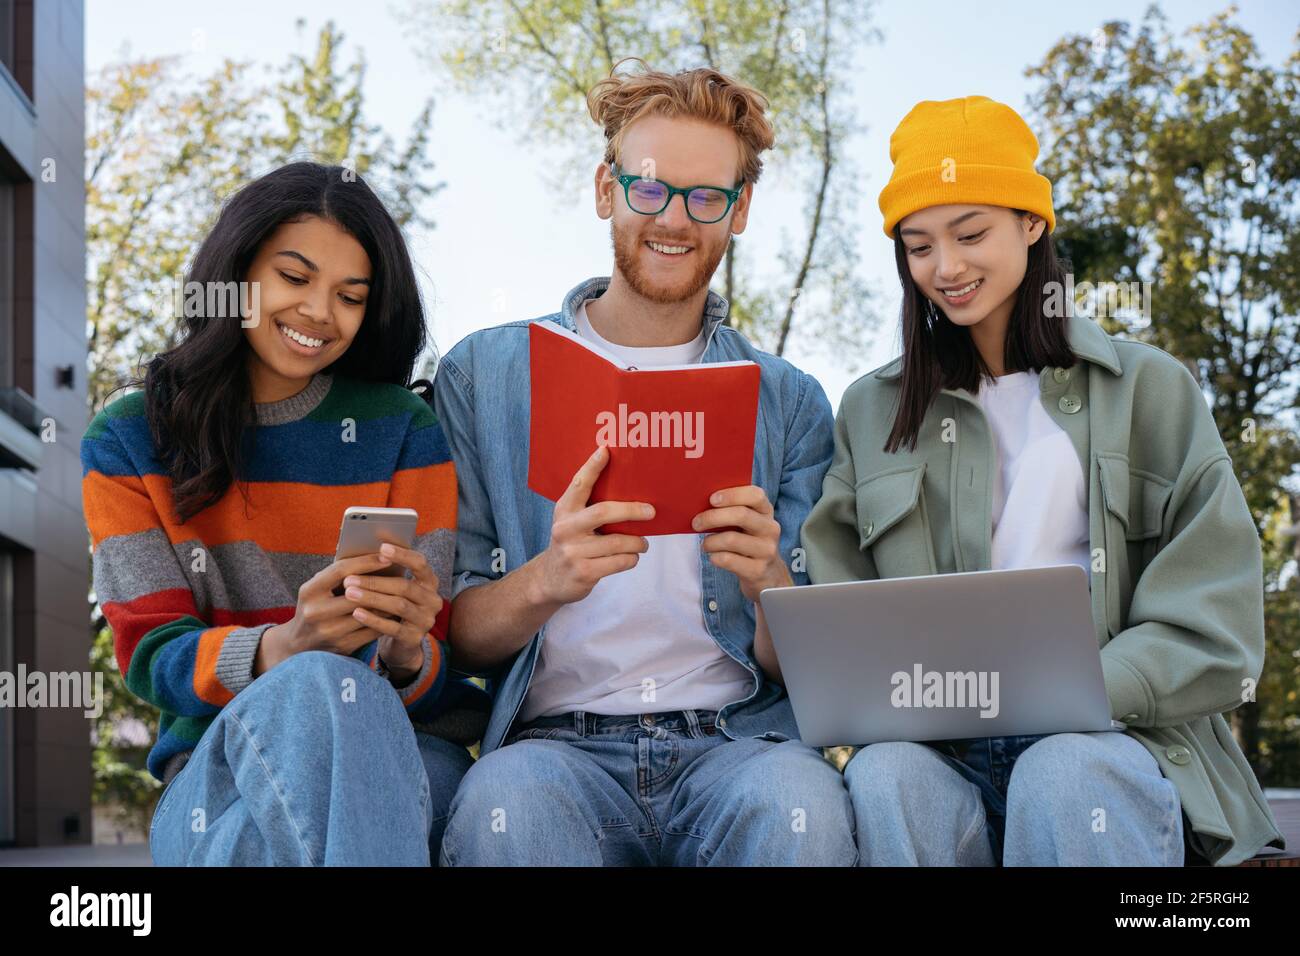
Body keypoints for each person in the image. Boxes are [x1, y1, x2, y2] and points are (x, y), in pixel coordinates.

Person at [798, 96, 1285, 866]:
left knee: (1062, 773)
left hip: (1113, 742)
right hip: (942, 749)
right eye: (919, 246)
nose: (946, 268)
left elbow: (1215, 619)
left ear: (1032, 224)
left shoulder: (1148, 389)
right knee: (885, 774)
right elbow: (836, 606)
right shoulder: (871, 410)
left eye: (971, 233)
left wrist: (1072, 690)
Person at [432, 62, 856, 866]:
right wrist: (548, 577)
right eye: (651, 189)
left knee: (802, 805)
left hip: (737, 744)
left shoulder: (789, 400)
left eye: (708, 198)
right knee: (505, 806)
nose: (675, 219)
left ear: (739, 212)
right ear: (607, 189)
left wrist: (768, 579)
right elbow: (454, 637)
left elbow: (809, 666)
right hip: (554, 748)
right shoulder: (484, 376)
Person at [81, 161, 489, 865]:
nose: (318, 313)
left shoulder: (401, 429)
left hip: (408, 750)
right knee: (313, 685)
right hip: (217, 764)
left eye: (350, 296)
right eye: (294, 278)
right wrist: (285, 648)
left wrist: (403, 649)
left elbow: (435, 665)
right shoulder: (127, 439)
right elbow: (153, 656)